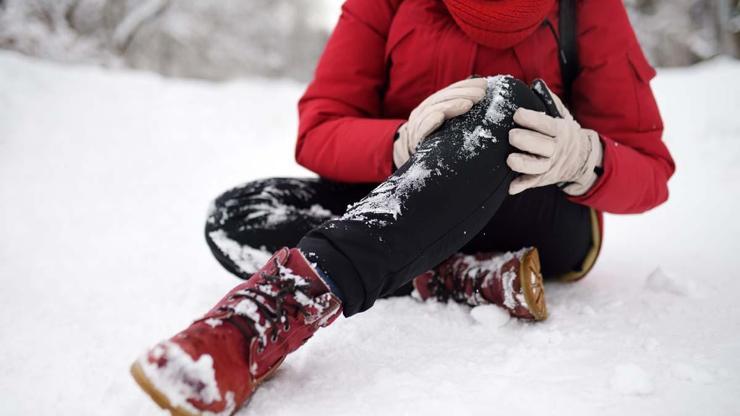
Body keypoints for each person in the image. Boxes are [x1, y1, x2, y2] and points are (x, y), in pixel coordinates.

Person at [131, 0, 675, 414]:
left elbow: (651, 168)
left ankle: (277, 308)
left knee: (504, 104)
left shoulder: (587, 7)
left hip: (534, 217)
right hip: (402, 196)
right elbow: (320, 126)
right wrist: (399, 141)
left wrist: (585, 157)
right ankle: (447, 275)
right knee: (240, 216)